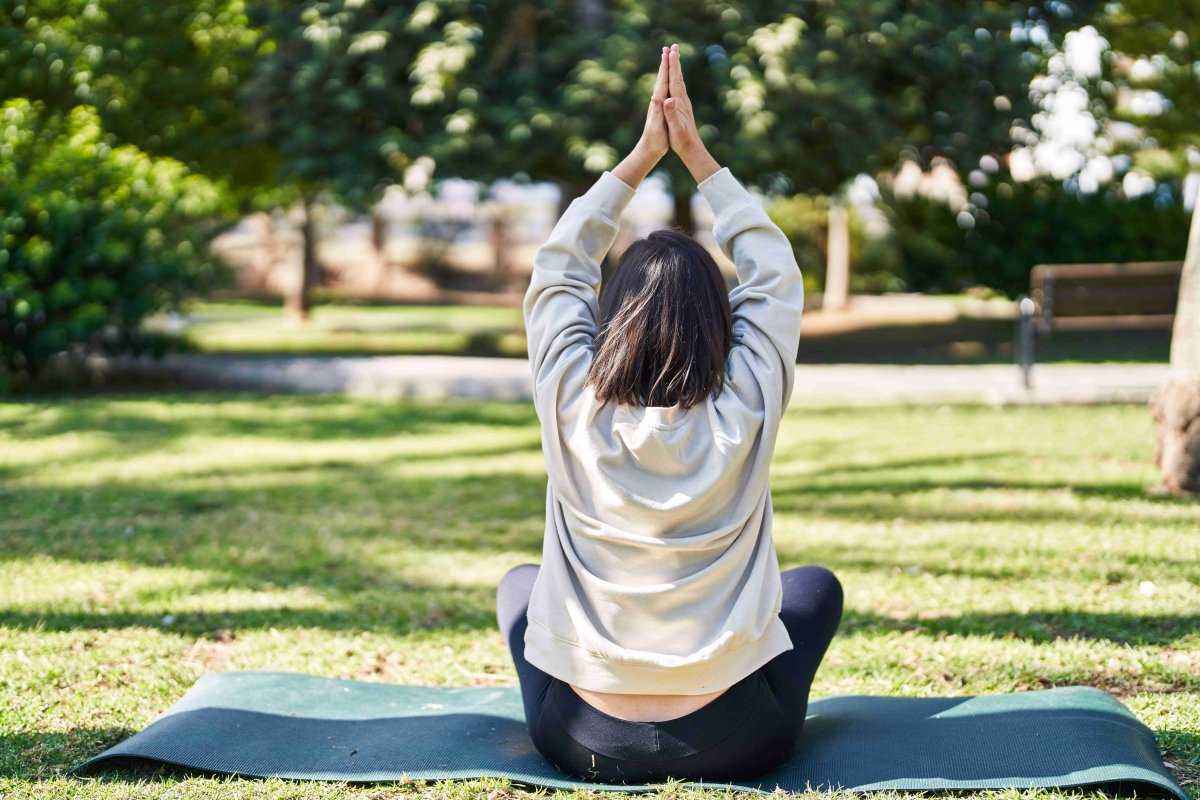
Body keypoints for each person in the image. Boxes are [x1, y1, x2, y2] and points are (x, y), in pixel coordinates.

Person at [496, 42, 843, 784]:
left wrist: (638, 161)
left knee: (518, 588)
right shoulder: (748, 401)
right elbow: (774, 275)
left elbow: (558, 269)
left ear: (611, 317)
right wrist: (697, 158)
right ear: (722, 324)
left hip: (585, 738)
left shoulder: (570, 401)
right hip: (735, 739)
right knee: (815, 590)